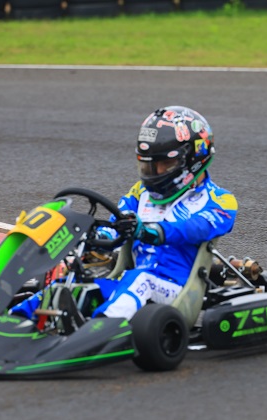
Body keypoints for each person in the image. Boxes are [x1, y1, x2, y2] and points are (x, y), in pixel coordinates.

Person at [12, 105, 237, 321]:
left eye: (164, 164)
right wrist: (93, 238)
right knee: (73, 288)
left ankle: (101, 330)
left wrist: (149, 231)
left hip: (176, 290)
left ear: (193, 158)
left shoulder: (220, 200)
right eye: (149, 165)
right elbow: (116, 225)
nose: (155, 172)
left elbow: (194, 229)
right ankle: (11, 322)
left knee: (140, 280)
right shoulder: (140, 193)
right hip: (130, 284)